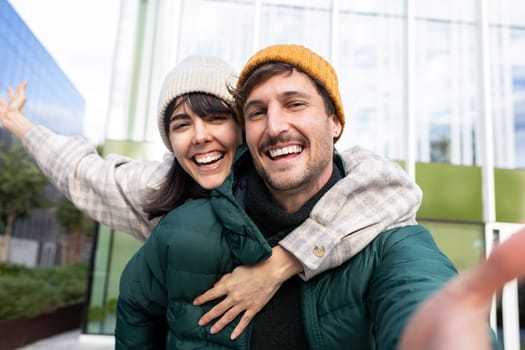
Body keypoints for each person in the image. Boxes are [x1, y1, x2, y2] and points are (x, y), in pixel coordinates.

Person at [0, 55, 422, 339]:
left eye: (217, 117)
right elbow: (82, 171)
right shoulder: (158, 197)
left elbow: (392, 189)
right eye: (181, 125)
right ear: (169, 140)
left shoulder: (291, 176)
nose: (200, 136)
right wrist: (21, 126)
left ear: (243, 125)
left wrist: (279, 265)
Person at [115, 44, 496, 349]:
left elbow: (423, 298)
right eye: (258, 112)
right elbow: (136, 308)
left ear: (335, 123)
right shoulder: (181, 226)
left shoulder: (387, 239)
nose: (276, 126)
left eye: (295, 104)